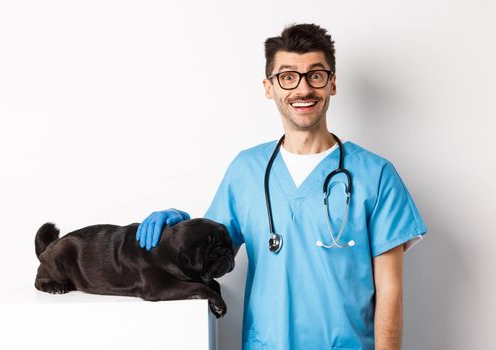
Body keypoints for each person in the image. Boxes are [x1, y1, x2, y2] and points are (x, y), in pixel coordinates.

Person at [136, 23, 427, 350]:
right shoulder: (246, 171)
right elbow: (205, 257)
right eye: (288, 77)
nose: (303, 89)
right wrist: (174, 230)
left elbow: (390, 290)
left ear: (332, 84)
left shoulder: (376, 175)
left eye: (315, 75)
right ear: (268, 87)